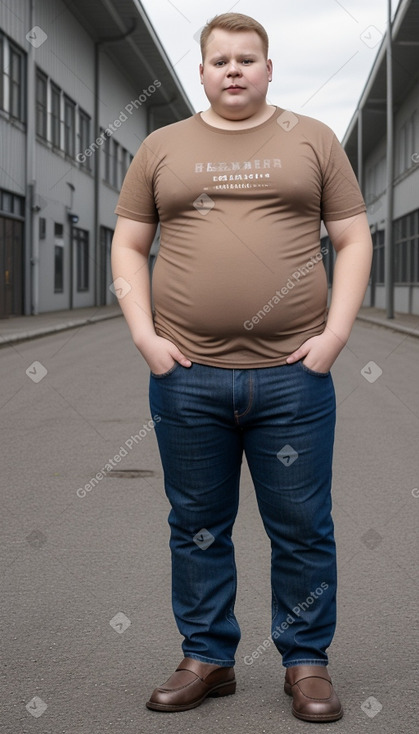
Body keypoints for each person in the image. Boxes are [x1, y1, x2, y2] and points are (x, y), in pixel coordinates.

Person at [111, 12, 372, 722]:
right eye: (219, 59)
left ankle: (305, 662)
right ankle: (207, 657)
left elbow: (351, 238)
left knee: (301, 526)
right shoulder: (161, 147)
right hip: (186, 376)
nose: (233, 69)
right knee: (196, 523)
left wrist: (336, 334)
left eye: (246, 59)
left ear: (266, 68)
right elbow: (129, 244)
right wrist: (144, 336)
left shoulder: (312, 141)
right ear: (200, 71)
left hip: (294, 377)